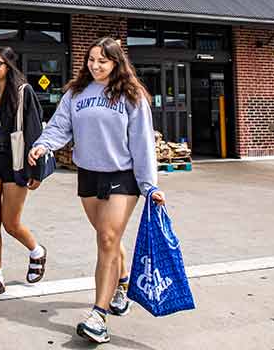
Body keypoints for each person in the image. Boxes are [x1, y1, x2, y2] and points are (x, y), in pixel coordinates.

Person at [28, 37, 165, 345]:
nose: (95, 65)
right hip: (89, 175)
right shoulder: (76, 93)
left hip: (123, 175)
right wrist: (42, 145)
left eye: (102, 61)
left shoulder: (132, 96)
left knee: (106, 239)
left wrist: (149, 185)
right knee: (110, 238)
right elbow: (59, 126)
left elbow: (143, 143)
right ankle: (122, 285)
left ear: (116, 63)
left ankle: (97, 316)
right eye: (91, 60)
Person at [0, 46, 48, 300]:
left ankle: (36, 251)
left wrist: (35, 170)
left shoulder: (24, 92)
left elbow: (35, 131)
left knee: (10, 223)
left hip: (15, 160)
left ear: (9, 66)